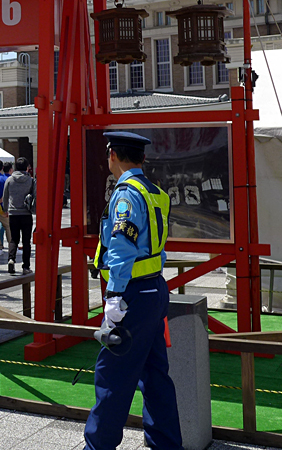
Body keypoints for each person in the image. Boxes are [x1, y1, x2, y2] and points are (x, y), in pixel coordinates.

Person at [84, 131, 181, 450]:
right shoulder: (155, 191)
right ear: (141, 158)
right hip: (154, 289)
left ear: (112, 154)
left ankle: (97, 447)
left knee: (112, 376)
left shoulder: (126, 194)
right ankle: (166, 445)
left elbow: (122, 249)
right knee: (156, 377)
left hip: (131, 295)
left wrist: (113, 297)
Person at [2, 157, 36, 275]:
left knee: (13, 239)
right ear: (27, 168)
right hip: (26, 213)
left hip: (13, 213)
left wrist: (5, 210)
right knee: (26, 241)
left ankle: (11, 259)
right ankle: (26, 266)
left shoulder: (10, 180)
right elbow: (35, 197)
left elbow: (5, 196)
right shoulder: (31, 180)